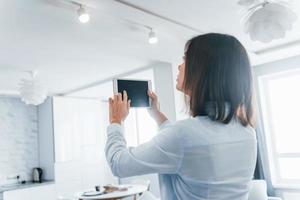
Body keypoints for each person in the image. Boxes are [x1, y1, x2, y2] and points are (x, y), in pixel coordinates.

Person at [105, 33, 257, 200]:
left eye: (185, 59)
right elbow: (186, 144)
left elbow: (118, 163)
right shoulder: (247, 131)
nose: (179, 66)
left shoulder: (184, 135)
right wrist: (157, 115)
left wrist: (116, 122)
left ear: (202, 70)